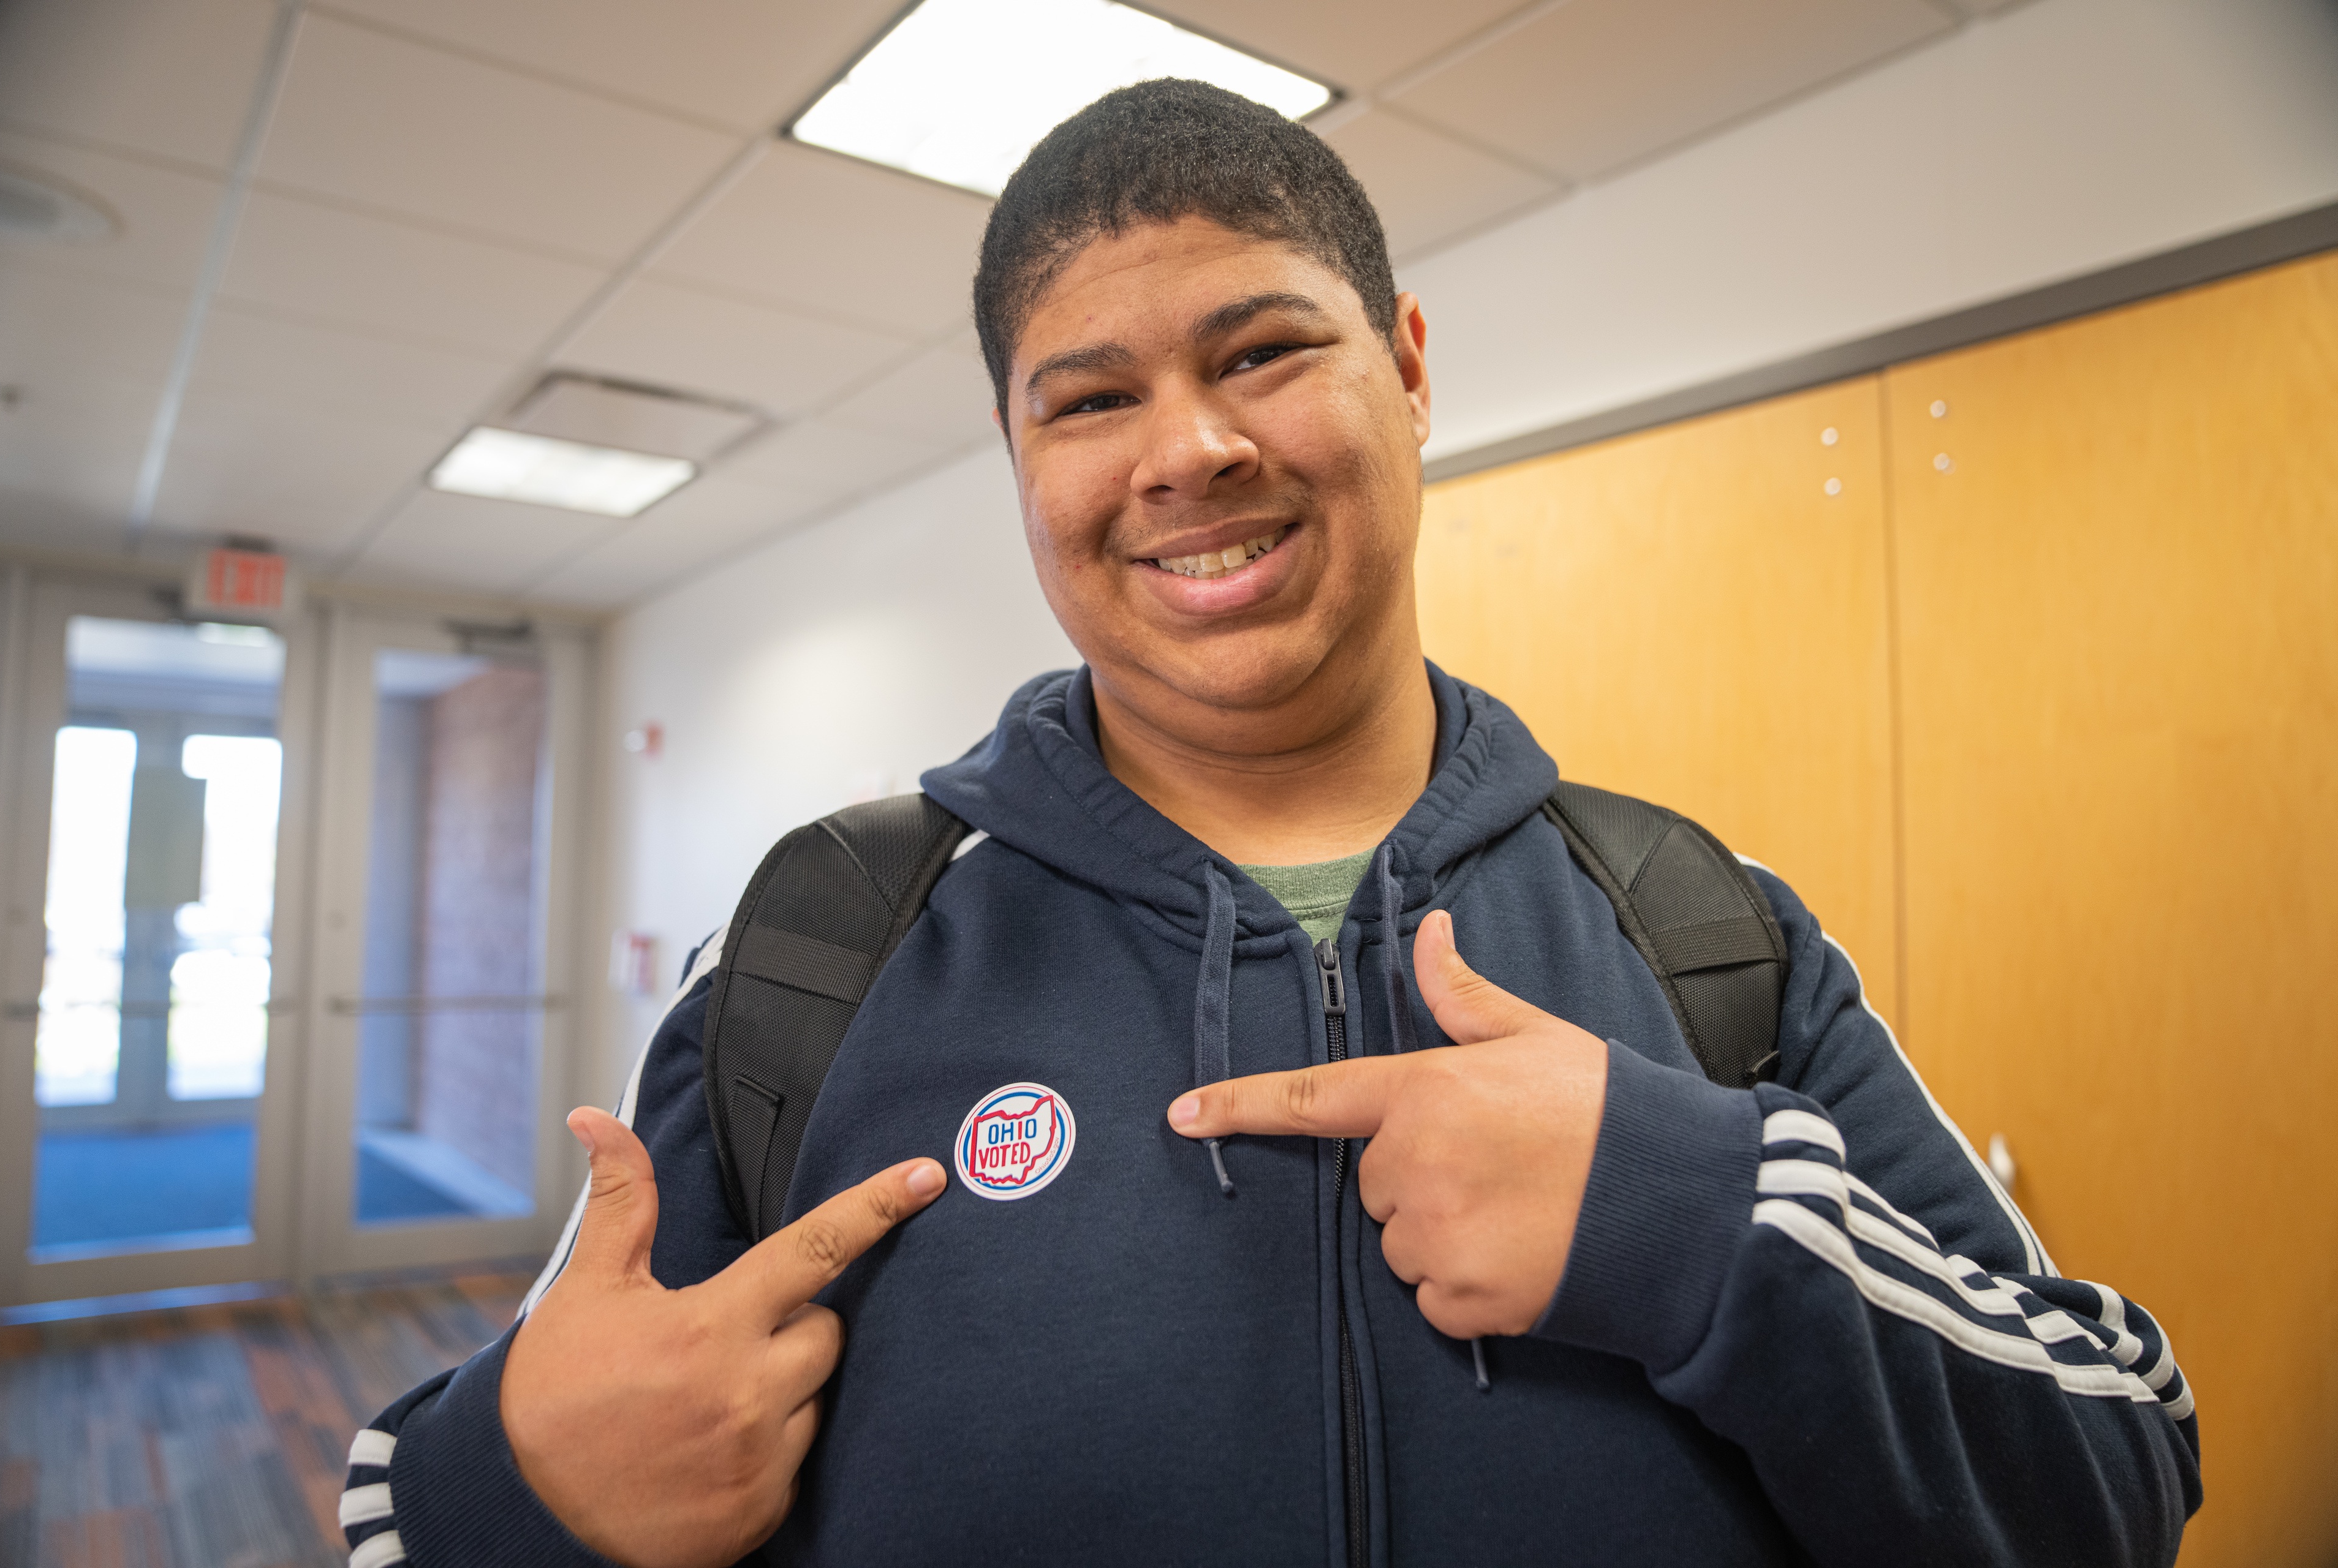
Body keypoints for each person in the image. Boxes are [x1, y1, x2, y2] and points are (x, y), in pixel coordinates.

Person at [339, 80, 2200, 1568]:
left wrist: (1699, 1225)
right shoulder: (835, 944)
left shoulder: (1706, 934)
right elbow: (422, 1498)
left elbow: (2125, 1466)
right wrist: (530, 1505)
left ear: (1403, 363)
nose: (1187, 451)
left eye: (1259, 354)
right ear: (1020, 459)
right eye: (1092, 398)